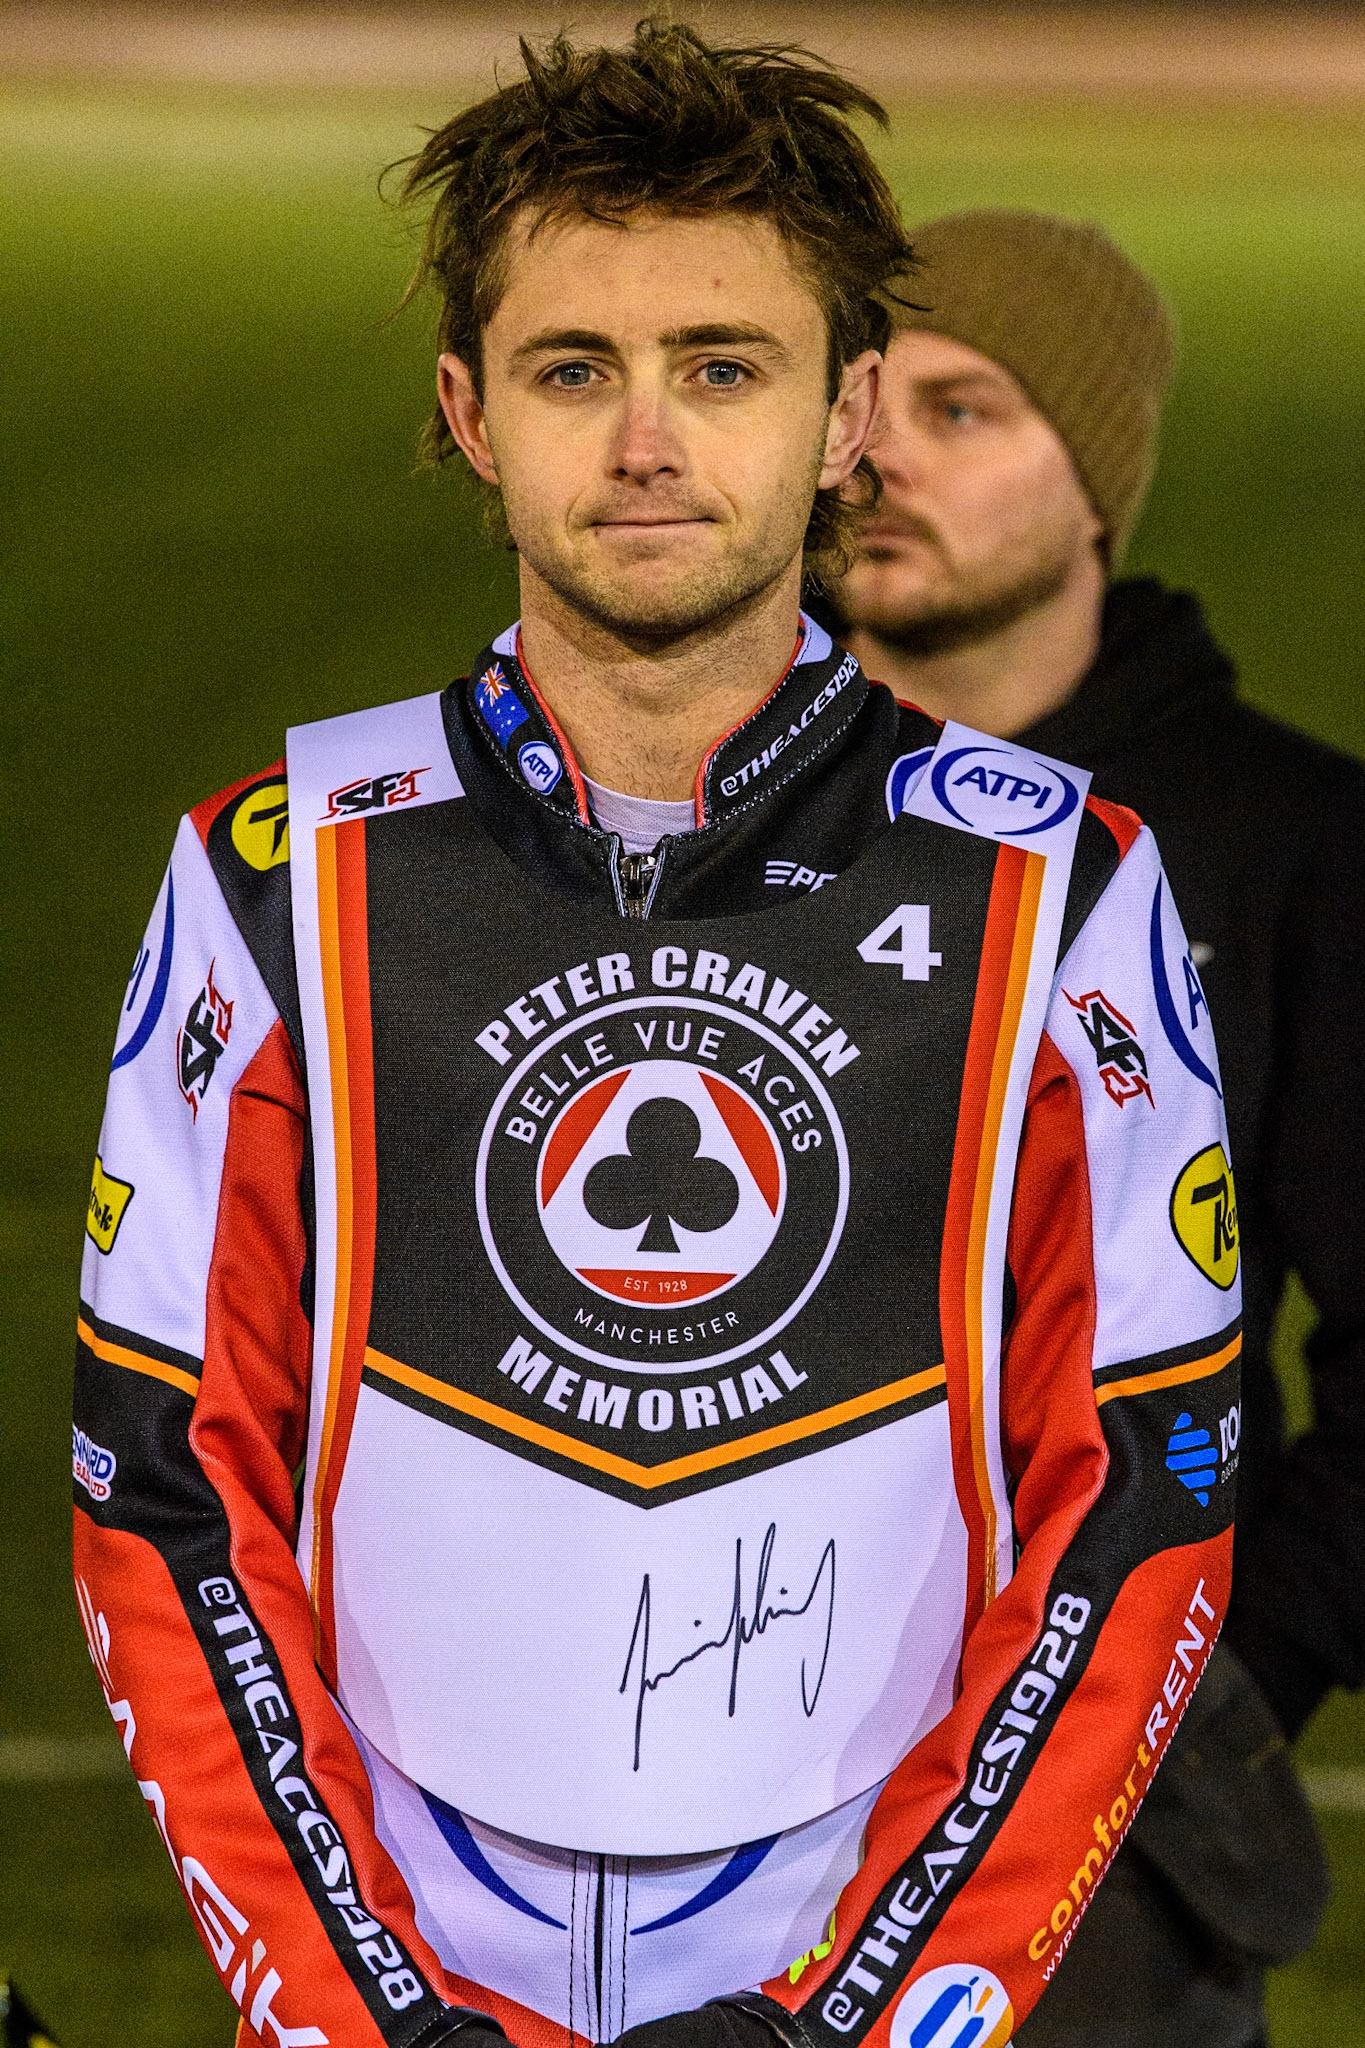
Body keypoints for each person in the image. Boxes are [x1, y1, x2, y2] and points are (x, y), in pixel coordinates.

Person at [73, 41, 1239, 2048]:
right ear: (465, 413)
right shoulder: (270, 878)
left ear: (842, 410)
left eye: (720, 365)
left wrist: (856, 2018)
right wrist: (370, 2022)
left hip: (857, 1987)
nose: (642, 442)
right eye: (568, 368)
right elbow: (160, 1484)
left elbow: (1144, 1498)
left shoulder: (1064, 894)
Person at [829, 206, 1361, 2048]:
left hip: (1109, 1844)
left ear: (1097, 487)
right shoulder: (674, 807)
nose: (879, 456)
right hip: (675, 1795)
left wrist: (1219, 1689)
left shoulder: (1294, 842)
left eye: (963, 411)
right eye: (858, 404)